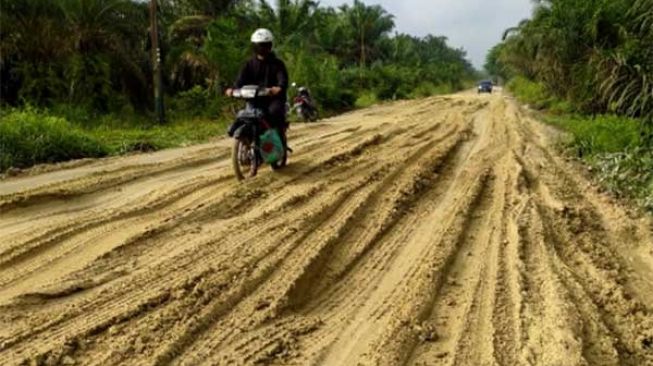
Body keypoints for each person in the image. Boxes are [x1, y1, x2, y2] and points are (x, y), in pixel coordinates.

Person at [225, 28, 289, 131]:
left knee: (274, 112)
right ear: (254, 46)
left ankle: (279, 140)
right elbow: (240, 80)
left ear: (270, 46)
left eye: (265, 45)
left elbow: (283, 80)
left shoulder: (277, 64)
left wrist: (278, 88)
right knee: (242, 116)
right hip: (254, 100)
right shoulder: (249, 64)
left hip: (273, 99)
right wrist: (232, 89)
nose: (262, 48)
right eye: (259, 45)